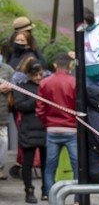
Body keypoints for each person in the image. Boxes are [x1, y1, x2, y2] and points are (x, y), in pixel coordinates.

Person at [39, 53, 79, 197]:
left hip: (52, 129)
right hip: (72, 128)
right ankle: (78, 201)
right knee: (77, 167)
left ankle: (52, 201)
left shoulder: (45, 82)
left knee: (50, 167)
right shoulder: (75, 82)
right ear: (70, 65)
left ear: (55, 65)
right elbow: (80, 106)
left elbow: (40, 108)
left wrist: (46, 123)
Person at [7, 58, 46, 204]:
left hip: (43, 128)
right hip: (28, 128)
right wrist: (37, 101)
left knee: (46, 162)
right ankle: (29, 190)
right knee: (27, 162)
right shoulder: (21, 87)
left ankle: (46, 189)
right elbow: (19, 105)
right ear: (28, 74)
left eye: (40, 74)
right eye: (35, 75)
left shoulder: (45, 85)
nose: (38, 78)